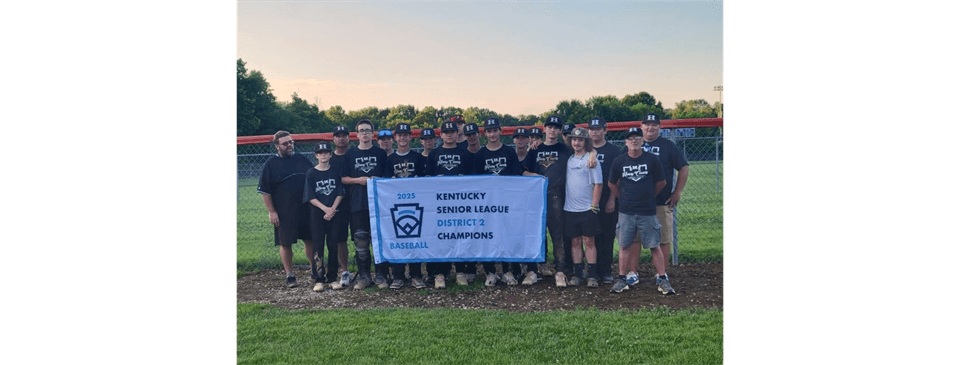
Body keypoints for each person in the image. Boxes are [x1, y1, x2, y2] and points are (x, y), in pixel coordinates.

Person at [522, 116, 594, 287]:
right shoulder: (534, 150)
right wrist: (538, 177)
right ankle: (533, 270)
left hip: (557, 195)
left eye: (556, 127)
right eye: (550, 127)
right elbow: (524, 172)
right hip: (537, 196)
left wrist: (594, 154)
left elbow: (586, 151)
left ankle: (560, 271)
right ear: (544, 129)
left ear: (560, 131)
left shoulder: (565, 149)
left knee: (558, 235)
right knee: (535, 234)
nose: (553, 130)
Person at [607, 127, 675, 295]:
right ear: (626, 142)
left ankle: (662, 278)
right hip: (626, 211)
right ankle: (622, 279)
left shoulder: (651, 160)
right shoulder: (619, 161)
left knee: (654, 245)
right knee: (624, 245)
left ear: (642, 140)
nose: (634, 141)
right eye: (630, 139)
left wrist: (649, 196)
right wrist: (622, 197)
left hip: (647, 211)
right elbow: (612, 183)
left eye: (637, 138)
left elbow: (661, 182)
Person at [257, 131, 315, 288]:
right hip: (284, 211)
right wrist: (272, 211)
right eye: (285, 143)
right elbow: (265, 191)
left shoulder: (301, 159)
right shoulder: (270, 164)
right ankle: (290, 275)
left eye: (291, 142)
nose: (289, 145)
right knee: (285, 243)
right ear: (277, 146)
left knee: (310, 240)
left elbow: (313, 179)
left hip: (305, 209)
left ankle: (314, 270)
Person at [473, 117, 524, 286]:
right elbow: (476, 182)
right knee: (488, 236)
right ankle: (490, 272)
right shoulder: (480, 154)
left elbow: (517, 176)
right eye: (489, 131)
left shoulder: (509, 152)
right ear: (484, 133)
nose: (492, 134)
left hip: (506, 202)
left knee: (507, 234)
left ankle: (510, 271)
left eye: (495, 130)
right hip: (488, 203)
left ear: (500, 131)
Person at [639, 113, 690, 283]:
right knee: (634, 239)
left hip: (662, 201)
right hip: (637, 204)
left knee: (663, 239)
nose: (650, 128)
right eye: (647, 124)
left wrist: (677, 192)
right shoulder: (633, 144)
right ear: (642, 126)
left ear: (659, 127)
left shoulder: (668, 146)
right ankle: (632, 273)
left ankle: (661, 274)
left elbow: (683, 167)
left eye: (654, 125)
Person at [425, 121, 475, 288]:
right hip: (439, 203)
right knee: (441, 237)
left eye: (452, 132)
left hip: (460, 203)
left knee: (459, 236)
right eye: (445, 132)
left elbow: (473, 180)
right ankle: (440, 274)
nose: (449, 134)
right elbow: (427, 179)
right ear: (441, 135)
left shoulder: (465, 153)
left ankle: (460, 272)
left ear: (457, 134)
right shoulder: (434, 154)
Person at [341, 119, 389, 290]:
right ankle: (364, 276)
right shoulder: (350, 154)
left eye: (368, 130)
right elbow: (343, 178)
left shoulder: (381, 154)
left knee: (379, 240)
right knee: (361, 240)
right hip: (358, 203)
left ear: (372, 133)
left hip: (378, 203)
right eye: (361, 130)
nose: (365, 133)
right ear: (357, 134)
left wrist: (378, 180)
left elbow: (388, 178)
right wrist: (358, 180)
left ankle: (381, 275)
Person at [385, 123, 428, 289]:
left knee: (414, 237)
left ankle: (416, 275)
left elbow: (425, 181)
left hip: (415, 203)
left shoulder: (417, 158)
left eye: (406, 135)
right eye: (399, 135)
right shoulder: (390, 160)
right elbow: (385, 183)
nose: (402, 138)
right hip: (396, 205)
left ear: (411, 137)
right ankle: (398, 275)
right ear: (395, 138)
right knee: (398, 238)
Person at [563, 128, 603, 288]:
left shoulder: (591, 159)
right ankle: (578, 274)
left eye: (580, 140)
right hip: (570, 208)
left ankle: (592, 275)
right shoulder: (569, 159)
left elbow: (598, 184)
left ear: (585, 142)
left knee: (589, 241)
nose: (576, 143)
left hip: (587, 208)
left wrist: (594, 206)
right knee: (575, 242)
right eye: (573, 140)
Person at [303, 142, 345, 291]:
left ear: (330, 154)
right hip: (317, 214)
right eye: (320, 153)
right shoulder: (311, 173)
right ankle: (318, 278)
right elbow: (310, 197)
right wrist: (325, 209)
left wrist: (332, 209)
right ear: (316, 156)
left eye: (326, 152)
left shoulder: (335, 171)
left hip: (334, 213)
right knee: (318, 245)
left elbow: (340, 193)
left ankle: (333, 277)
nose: (323, 155)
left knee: (333, 245)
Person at [589, 117, 623, 284]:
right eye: (592, 129)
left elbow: (617, 178)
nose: (595, 132)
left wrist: (612, 199)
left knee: (607, 236)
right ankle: (593, 271)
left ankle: (606, 270)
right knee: (590, 237)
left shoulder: (614, 151)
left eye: (598, 129)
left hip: (607, 199)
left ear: (605, 130)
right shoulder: (584, 150)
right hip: (587, 200)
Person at [329, 125, 353, 289]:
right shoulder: (329, 159)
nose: (341, 138)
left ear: (349, 138)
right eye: (338, 136)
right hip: (339, 204)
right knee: (340, 239)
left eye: (344, 135)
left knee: (363, 238)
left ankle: (367, 270)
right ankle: (345, 271)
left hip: (358, 200)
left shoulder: (355, 154)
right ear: (333, 139)